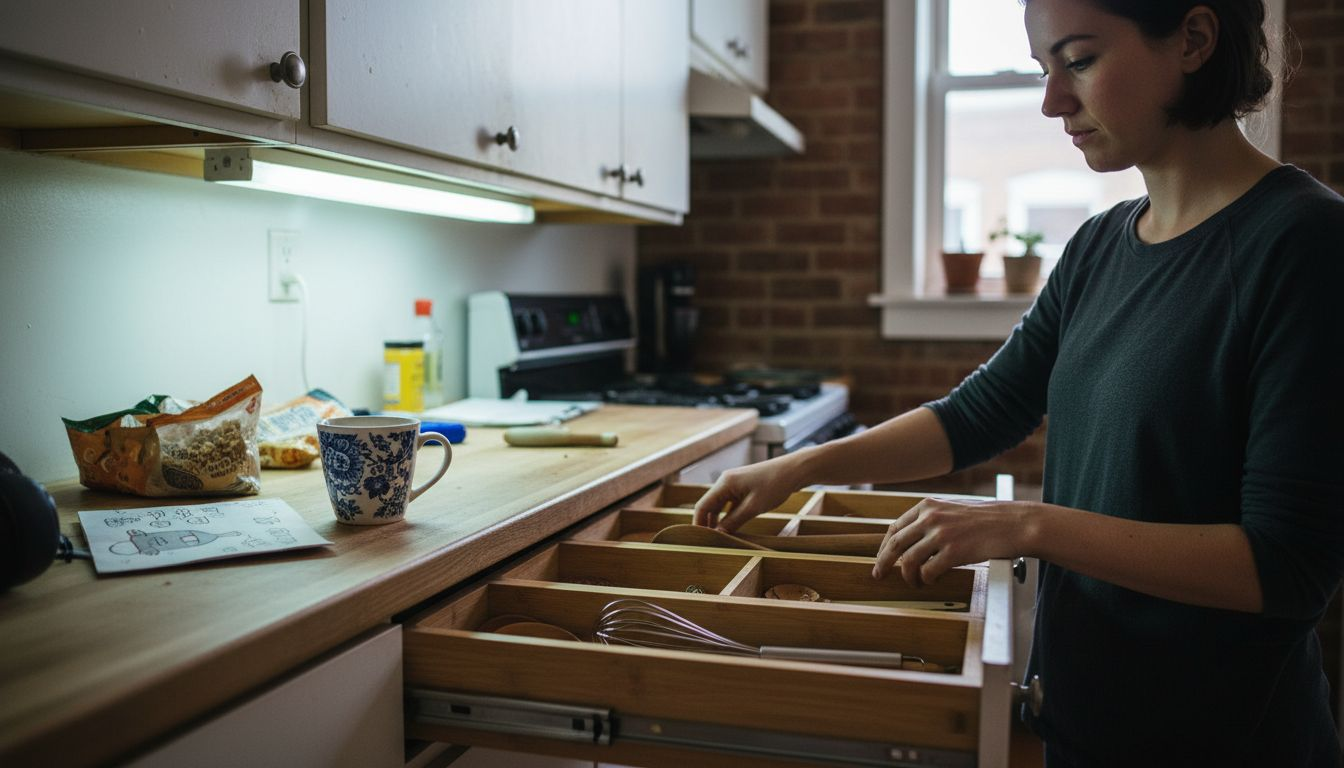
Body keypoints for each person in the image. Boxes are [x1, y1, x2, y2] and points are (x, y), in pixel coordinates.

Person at [693, 0, 1344, 765]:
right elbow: (980, 413)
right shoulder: (1101, 244)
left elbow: (1285, 569)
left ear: (1194, 40)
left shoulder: (1306, 245)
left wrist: (1027, 525)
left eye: (1080, 60)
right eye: (1044, 70)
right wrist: (801, 466)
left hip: (1227, 741)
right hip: (1085, 720)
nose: (1052, 102)